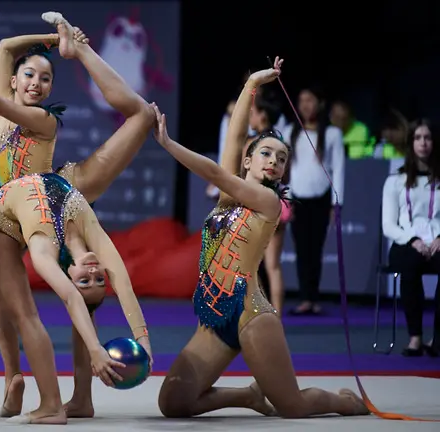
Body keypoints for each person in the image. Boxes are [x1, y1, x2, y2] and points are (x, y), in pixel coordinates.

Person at [0, 11, 155, 421]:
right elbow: (7, 48)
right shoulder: (9, 105)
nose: (36, 84)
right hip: (14, 210)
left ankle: (64, 393)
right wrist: (52, 38)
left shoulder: (38, 117)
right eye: (30, 76)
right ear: (14, 80)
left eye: (45, 79)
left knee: (76, 287)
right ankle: (14, 376)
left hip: (54, 193)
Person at [153, 57, 369, 419]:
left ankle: (343, 401)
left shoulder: (269, 202)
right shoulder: (228, 196)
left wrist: (169, 144)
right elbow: (236, 136)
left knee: (293, 406)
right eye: (266, 153)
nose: (273, 161)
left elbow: (213, 171)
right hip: (217, 313)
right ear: (248, 160)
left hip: (251, 314)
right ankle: (248, 397)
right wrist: (252, 83)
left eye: (282, 158)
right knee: (173, 403)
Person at [0, 170, 151, 425]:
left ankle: (48, 405)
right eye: (99, 280)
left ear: (67, 273)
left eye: (85, 280)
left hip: (1, 223)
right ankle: (59, 393)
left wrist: (96, 349)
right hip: (27, 179)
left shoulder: (43, 251)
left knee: (23, 312)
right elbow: (125, 287)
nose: (94, 271)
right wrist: (144, 345)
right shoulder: (92, 230)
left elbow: (72, 298)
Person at [281, 86, 345, 316]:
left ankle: (314, 298)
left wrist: (337, 203)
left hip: (321, 198)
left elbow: (338, 169)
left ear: (319, 103)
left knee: (316, 249)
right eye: (301, 100)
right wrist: (285, 199)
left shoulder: (332, 134)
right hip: (297, 198)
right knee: (301, 249)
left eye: (310, 99)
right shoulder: (290, 132)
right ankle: (304, 298)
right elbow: (285, 171)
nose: (305, 105)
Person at [381, 118, 440, 357]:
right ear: (411, 143)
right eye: (418, 138)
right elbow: (388, 225)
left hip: (437, 242)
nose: (423, 143)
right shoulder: (395, 181)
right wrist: (413, 239)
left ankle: (437, 338)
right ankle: (415, 337)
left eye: (427, 138)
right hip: (406, 242)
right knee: (410, 266)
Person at [248, 95, 290, 315]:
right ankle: (277, 318)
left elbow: (242, 175)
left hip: (255, 207)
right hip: (276, 204)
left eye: (252, 113)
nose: (250, 118)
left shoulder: (252, 144)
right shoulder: (281, 146)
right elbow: (288, 177)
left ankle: (258, 315)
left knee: (252, 265)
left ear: (262, 115)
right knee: (273, 266)